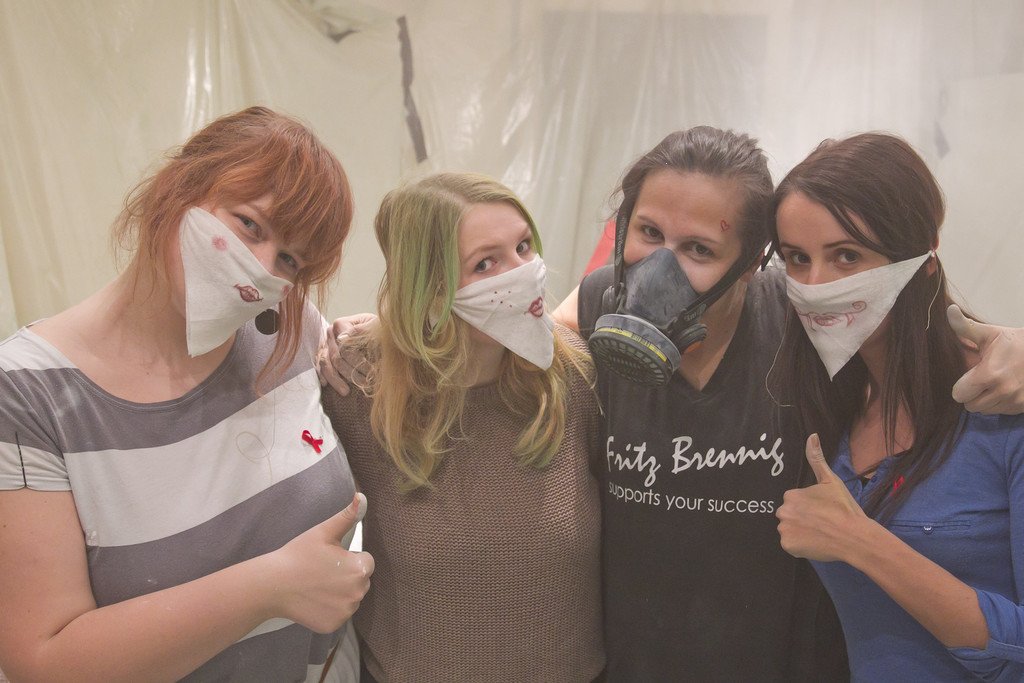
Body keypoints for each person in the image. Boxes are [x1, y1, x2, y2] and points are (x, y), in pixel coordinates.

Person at [0, 106, 373, 682]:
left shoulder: (287, 327)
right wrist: (270, 587)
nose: (260, 269)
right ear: (178, 187)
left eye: (289, 259)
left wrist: (377, 336)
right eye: (249, 225)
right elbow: (41, 660)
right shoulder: (27, 394)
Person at [321, 172, 604, 682]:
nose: (524, 274)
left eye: (524, 246)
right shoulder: (359, 391)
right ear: (428, 286)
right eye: (485, 263)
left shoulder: (577, 379)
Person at [772, 132, 1024, 681]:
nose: (816, 286)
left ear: (924, 255)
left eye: (846, 256)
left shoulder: (1005, 409)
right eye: (797, 258)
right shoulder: (833, 404)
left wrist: (860, 541)